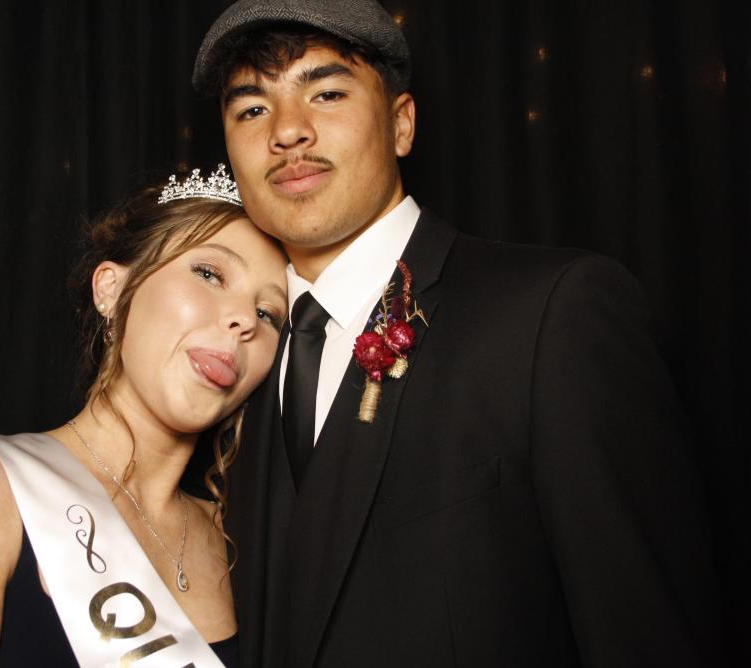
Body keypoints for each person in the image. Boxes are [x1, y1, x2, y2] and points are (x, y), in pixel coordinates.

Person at [190, 1, 724, 666]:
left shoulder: (552, 314)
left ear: (401, 123)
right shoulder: (231, 358)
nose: (288, 131)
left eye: (326, 93)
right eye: (251, 109)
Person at [0, 168, 289, 667]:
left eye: (269, 313)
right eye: (209, 274)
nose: (244, 320)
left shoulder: (242, 541)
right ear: (113, 289)